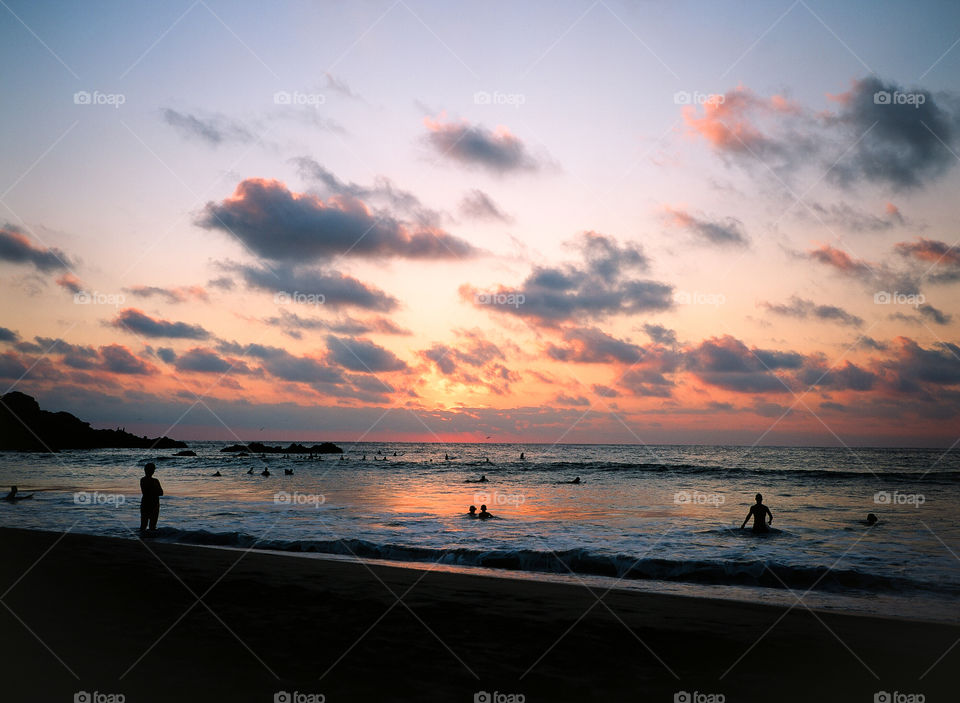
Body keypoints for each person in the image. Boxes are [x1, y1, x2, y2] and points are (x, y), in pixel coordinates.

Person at [139, 463, 163, 533]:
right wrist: (155, 490)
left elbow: (160, 493)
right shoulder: (154, 481)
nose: (152, 471)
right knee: (150, 525)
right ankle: (149, 540)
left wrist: (153, 491)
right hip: (152, 503)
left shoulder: (144, 480)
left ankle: (145, 539)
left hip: (147, 503)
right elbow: (160, 492)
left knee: (144, 525)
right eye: (152, 470)